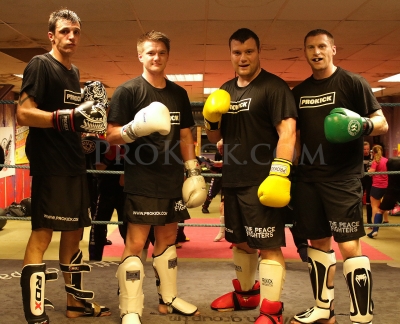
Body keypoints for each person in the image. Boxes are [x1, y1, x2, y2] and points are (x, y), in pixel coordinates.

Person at [16, 9, 111, 323]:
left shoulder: (74, 72)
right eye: (65, 31)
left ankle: (75, 304)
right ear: (52, 35)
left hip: (74, 164)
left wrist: (87, 130)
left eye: (76, 32)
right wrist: (65, 118)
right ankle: (36, 314)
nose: (71, 37)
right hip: (50, 165)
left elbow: (72, 122)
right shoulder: (40, 65)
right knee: (43, 235)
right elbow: (24, 113)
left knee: (75, 234)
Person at [106, 30, 207, 323]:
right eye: (150, 52)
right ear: (140, 55)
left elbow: (186, 134)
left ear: (167, 56)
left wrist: (193, 170)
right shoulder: (128, 91)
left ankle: (169, 299)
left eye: (162, 52)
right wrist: (135, 129)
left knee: (167, 239)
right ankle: (131, 307)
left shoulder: (178, 94)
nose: (156, 57)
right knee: (136, 244)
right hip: (142, 178)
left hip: (173, 178)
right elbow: (111, 135)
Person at [290, 29, 388, 324]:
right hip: (307, 178)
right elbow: (294, 138)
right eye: (310, 47)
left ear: (333, 49)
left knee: (349, 246)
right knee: (317, 243)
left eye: (322, 46)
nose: (316, 52)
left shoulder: (353, 82)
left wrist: (361, 125)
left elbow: (381, 121)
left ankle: (362, 315)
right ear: (305, 52)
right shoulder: (299, 92)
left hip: (342, 178)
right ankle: (323, 309)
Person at [204, 28, 297, 324]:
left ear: (258, 52)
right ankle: (246, 295)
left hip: (262, 182)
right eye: (236, 52)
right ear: (230, 54)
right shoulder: (226, 89)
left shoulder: (274, 87)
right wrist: (210, 116)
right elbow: (215, 134)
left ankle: (272, 310)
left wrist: (280, 173)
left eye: (248, 51)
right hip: (233, 178)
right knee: (241, 242)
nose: (242, 58)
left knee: (268, 246)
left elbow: (288, 131)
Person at [83, 136, 127, 260]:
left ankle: (131, 257)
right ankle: (94, 258)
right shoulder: (103, 146)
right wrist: (109, 157)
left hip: (125, 192)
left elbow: (124, 180)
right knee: (98, 225)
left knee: (127, 226)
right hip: (106, 190)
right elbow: (98, 168)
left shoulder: (132, 147)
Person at [367, 144, 389, 238]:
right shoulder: (387, 160)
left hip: (377, 186)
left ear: (373, 152)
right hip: (386, 186)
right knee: (384, 205)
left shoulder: (376, 161)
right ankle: (386, 220)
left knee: (375, 206)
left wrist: (368, 171)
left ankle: (374, 227)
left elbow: (371, 173)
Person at [362, 141, 373, 224]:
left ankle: (369, 221)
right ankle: (359, 220)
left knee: (369, 200)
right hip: (360, 180)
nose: (366, 151)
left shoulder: (372, 157)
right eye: (364, 149)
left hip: (370, 180)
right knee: (358, 200)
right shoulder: (358, 158)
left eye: (367, 149)